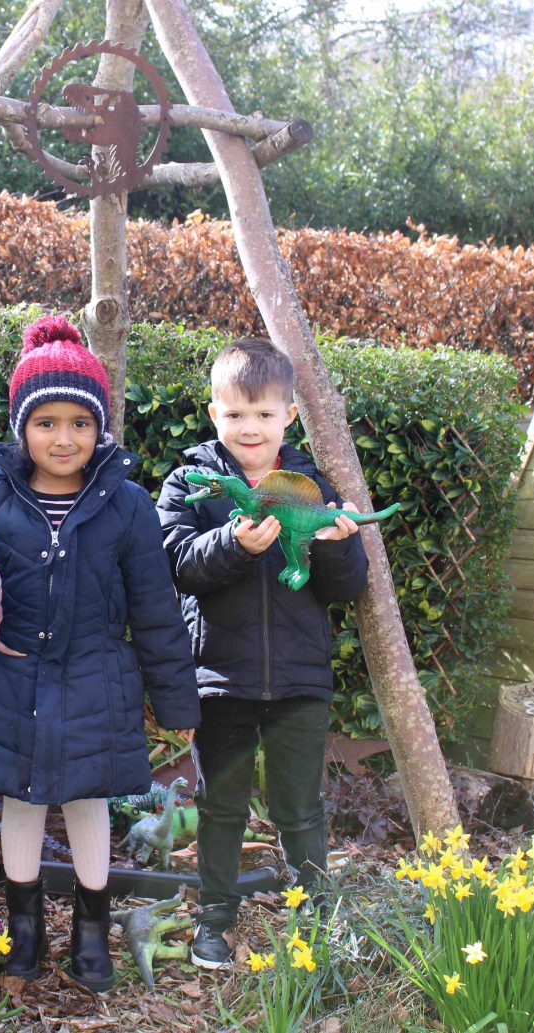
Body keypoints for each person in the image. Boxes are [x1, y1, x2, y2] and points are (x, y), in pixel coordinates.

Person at [0, 315, 199, 993]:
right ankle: (24, 936)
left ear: (100, 428)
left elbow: (156, 609)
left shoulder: (127, 505)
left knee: (88, 804)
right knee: (18, 803)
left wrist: (175, 701)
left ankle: (91, 935)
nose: (63, 437)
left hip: (95, 682)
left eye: (79, 422)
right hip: (11, 678)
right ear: (23, 427)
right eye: (46, 421)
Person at [155, 336, 369, 970]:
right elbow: (177, 566)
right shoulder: (193, 482)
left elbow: (348, 587)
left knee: (299, 808)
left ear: (289, 417)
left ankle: (316, 922)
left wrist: (334, 544)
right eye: (236, 414)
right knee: (220, 806)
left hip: (302, 681)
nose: (250, 428)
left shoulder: (312, 487)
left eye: (265, 414)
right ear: (213, 413)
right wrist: (233, 544)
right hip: (220, 677)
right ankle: (214, 921)